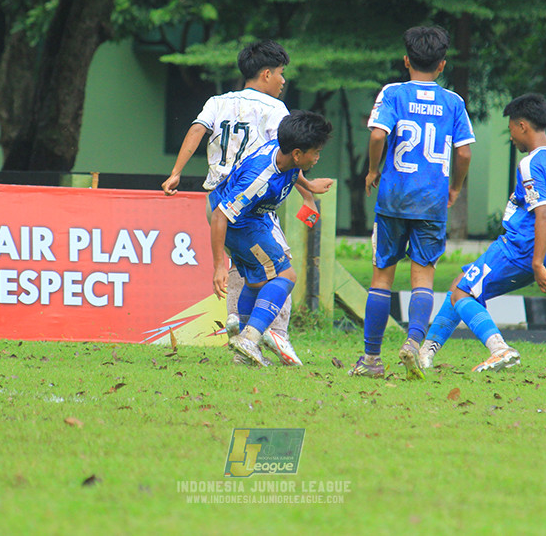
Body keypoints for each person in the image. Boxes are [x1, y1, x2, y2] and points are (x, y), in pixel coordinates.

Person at [162, 40, 318, 366]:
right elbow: (286, 156)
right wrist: (307, 191)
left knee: (252, 273)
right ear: (266, 73)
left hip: (218, 196)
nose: (283, 80)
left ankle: (241, 333)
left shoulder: (218, 101)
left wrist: (176, 171)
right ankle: (267, 333)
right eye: (280, 73)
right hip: (249, 200)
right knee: (282, 270)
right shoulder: (276, 110)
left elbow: (195, 131)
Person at [419, 93, 546, 372]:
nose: (511, 138)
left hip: (517, 249)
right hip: (534, 251)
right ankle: (426, 354)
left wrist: (536, 262)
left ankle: (500, 349)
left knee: (462, 293)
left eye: (510, 130)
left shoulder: (530, 164)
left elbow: (544, 213)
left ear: (522, 126)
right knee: (463, 282)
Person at [350, 25, 474, 380]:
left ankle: (371, 360)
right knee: (423, 276)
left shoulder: (393, 93)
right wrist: (455, 187)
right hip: (431, 200)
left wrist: (374, 170)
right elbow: (463, 152)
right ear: (442, 65)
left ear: (406, 60)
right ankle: (414, 343)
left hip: (393, 197)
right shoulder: (454, 102)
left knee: (382, 276)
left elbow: (378, 134)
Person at [209, 110, 333, 367]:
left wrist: (309, 187)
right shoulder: (260, 178)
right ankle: (250, 339)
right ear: (298, 154)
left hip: (252, 218)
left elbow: (292, 171)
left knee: (256, 283)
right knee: (286, 276)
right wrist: (219, 266)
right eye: (316, 152)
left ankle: (242, 354)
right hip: (238, 224)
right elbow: (220, 216)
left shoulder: (285, 152)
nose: (318, 157)